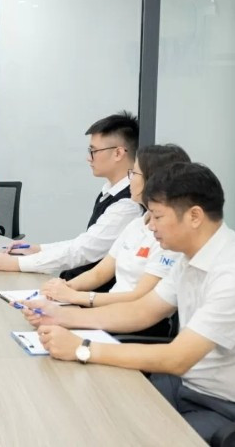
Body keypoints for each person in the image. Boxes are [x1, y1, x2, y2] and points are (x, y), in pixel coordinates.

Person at [18, 163, 235, 444]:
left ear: (194, 216)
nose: (150, 226)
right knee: (93, 411)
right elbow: (142, 311)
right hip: (186, 387)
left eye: (157, 216)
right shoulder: (190, 258)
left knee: (129, 435)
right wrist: (61, 316)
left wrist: (82, 349)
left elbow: (177, 358)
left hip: (233, 410)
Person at [40, 144, 190, 336]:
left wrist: (76, 297)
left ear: (154, 181)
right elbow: (99, 273)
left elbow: (140, 298)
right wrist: (62, 289)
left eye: (134, 173)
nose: (130, 180)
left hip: (136, 330)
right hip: (110, 315)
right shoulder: (136, 224)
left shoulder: (169, 238)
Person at [0, 111, 142, 289]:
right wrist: (38, 249)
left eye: (93, 151)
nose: (88, 158)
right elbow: (84, 242)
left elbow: (85, 251)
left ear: (118, 153)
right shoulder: (110, 191)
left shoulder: (128, 204)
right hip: (75, 284)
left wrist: (17, 264)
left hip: (90, 294)